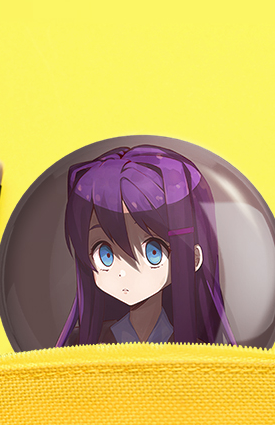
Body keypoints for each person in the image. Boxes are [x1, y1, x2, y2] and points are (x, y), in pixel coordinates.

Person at [56, 144, 235, 346]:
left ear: (194, 258)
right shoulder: (80, 345)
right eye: (105, 254)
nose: (124, 272)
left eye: (153, 251)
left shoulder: (199, 351)